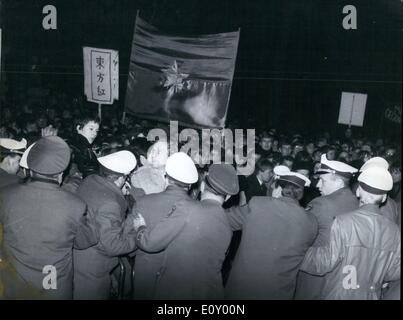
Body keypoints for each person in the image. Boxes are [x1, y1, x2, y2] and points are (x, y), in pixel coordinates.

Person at [0, 136, 98, 299]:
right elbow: (86, 241)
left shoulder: (5, 195)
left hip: (13, 286)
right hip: (52, 289)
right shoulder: (75, 204)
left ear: (29, 169)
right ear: (61, 173)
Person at [132, 164, 239, 299]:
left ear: (202, 186)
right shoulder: (227, 224)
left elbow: (149, 243)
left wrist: (141, 227)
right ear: (228, 196)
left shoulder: (187, 208)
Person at [300, 166, 400, 299]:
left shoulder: (344, 222)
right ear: (384, 198)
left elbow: (324, 262)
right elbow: (393, 272)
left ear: (358, 191)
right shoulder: (394, 231)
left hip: (339, 294)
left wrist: (300, 252)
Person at [225, 166, 317, 299]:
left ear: (279, 189)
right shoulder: (311, 221)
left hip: (242, 290)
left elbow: (225, 219)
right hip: (279, 293)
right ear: (301, 194)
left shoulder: (257, 204)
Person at [131, 152, 199, 299]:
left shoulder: (144, 201)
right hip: (177, 278)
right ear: (190, 185)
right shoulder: (196, 208)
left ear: (166, 177)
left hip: (145, 275)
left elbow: (130, 240)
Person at [73, 150, 138, 300]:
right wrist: (138, 235)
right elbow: (112, 246)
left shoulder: (90, 181)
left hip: (75, 256)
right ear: (122, 178)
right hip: (92, 269)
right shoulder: (111, 203)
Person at [295, 154, 359, 299]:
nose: (317, 185)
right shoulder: (357, 202)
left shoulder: (320, 204)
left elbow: (298, 237)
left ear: (337, 182)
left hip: (315, 278)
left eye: (322, 181)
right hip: (341, 278)